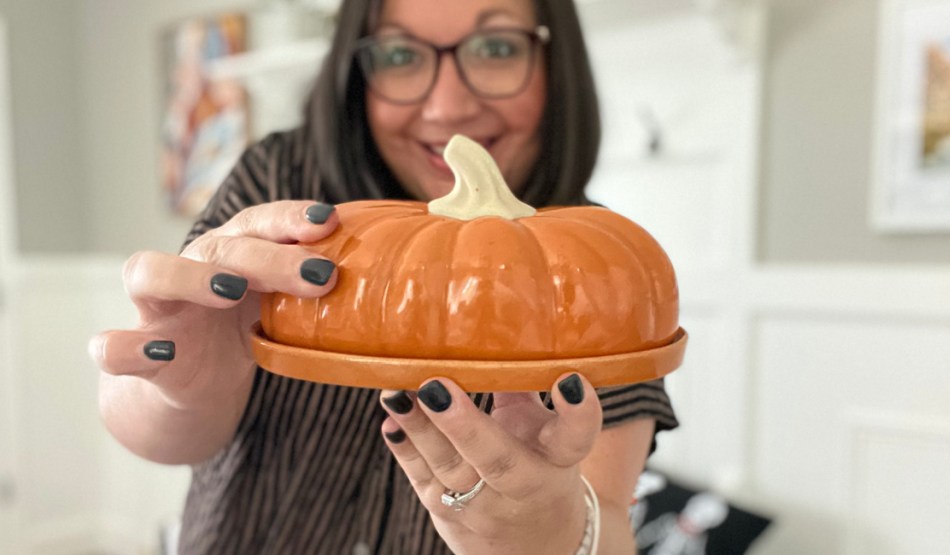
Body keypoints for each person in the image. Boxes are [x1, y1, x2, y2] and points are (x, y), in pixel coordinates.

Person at [89, 0, 679, 552]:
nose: (448, 109)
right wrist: (181, 383)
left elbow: (608, 516)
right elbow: (164, 435)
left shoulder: (597, 274)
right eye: (400, 56)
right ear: (358, 72)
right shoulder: (280, 184)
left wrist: (555, 533)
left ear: (556, 65)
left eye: (497, 49)